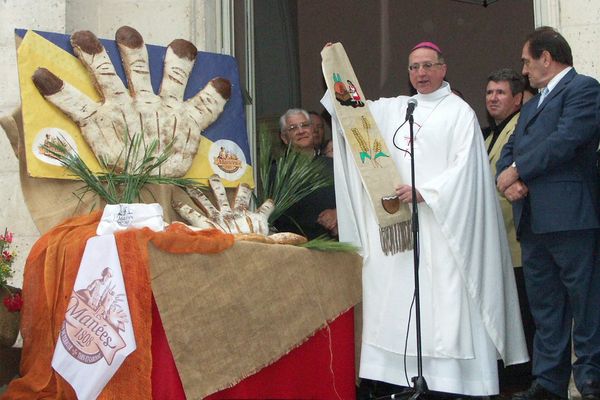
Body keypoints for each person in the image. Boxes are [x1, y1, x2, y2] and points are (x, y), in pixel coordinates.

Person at [323, 41, 528, 398]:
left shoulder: (459, 112)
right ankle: (401, 375)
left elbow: (467, 172)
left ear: (443, 69)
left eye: (428, 66)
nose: (421, 73)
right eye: (415, 67)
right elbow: (353, 115)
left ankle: (454, 382)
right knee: (398, 298)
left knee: (446, 303)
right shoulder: (397, 109)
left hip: (444, 227)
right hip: (403, 231)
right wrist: (335, 67)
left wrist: (427, 192)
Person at [496, 26, 600, 400]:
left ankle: (590, 378)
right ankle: (549, 382)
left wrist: (518, 171)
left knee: (585, 301)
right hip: (533, 220)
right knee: (546, 307)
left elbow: (566, 140)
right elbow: (509, 149)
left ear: (546, 57)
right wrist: (506, 180)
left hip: (570, 217)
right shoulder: (533, 104)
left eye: (527, 61)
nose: (523, 70)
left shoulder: (584, 89)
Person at [483, 68, 535, 391]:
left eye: (500, 92)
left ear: (517, 99)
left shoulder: (522, 127)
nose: (493, 98)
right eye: (489, 92)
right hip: (497, 243)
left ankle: (523, 381)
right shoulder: (489, 135)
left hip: (517, 242)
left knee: (524, 318)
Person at [275, 108, 337, 239]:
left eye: (305, 125)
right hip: (298, 249)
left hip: (336, 245)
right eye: (293, 128)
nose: (301, 131)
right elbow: (278, 215)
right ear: (284, 138)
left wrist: (338, 214)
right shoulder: (277, 171)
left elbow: (351, 200)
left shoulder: (334, 165)